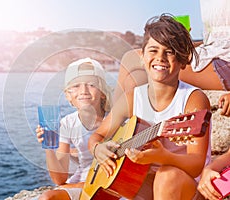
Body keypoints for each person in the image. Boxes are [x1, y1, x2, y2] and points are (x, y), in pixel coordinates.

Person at [89, 14, 211, 199]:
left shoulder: (193, 99)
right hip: (140, 181)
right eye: (153, 50)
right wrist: (98, 149)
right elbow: (97, 136)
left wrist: (162, 157)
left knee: (165, 176)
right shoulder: (132, 98)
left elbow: (196, 165)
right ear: (142, 56)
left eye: (169, 52)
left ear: (183, 60)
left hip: (182, 184)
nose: (160, 57)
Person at [113, 0, 230, 117]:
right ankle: (128, 130)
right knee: (135, 79)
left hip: (225, 63)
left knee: (131, 59)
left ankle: (110, 122)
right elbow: (218, 40)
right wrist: (185, 44)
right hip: (217, 52)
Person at [36, 57, 112, 200]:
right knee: (47, 198)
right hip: (81, 183)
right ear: (68, 96)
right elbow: (60, 179)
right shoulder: (67, 123)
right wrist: (48, 147)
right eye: (75, 86)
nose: (83, 91)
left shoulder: (117, 118)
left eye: (91, 84)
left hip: (111, 183)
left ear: (102, 92)